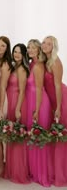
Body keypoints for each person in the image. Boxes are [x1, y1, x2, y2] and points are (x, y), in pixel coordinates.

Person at [26, 39, 53, 187]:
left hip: (39, 102)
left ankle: (41, 173)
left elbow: (39, 88)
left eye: (33, 48)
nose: (30, 50)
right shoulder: (31, 64)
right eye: (29, 48)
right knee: (32, 137)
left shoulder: (38, 66)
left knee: (39, 138)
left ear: (38, 50)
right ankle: (34, 170)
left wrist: (36, 109)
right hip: (31, 101)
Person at [42, 36, 67, 186]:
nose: (45, 45)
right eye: (44, 42)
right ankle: (52, 170)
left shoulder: (56, 62)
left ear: (54, 47)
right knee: (52, 137)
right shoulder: (44, 61)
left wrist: (58, 106)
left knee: (60, 139)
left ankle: (61, 173)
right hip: (49, 101)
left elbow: (58, 85)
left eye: (49, 44)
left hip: (60, 101)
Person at [4, 43, 30, 184]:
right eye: (15, 51)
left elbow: (22, 91)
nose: (17, 54)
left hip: (17, 102)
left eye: (20, 52)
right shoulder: (15, 67)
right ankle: (11, 169)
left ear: (24, 54)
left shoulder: (22, 70)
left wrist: (18, 108)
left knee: (17, 137)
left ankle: (18, 171)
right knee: (11, 136)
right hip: (11, 100)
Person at [0, 36, 12, 176]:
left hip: (1, 99)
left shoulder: (5, 64)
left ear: (7, 48)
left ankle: (1, 165)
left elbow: (3, 86)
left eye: (3, 46)